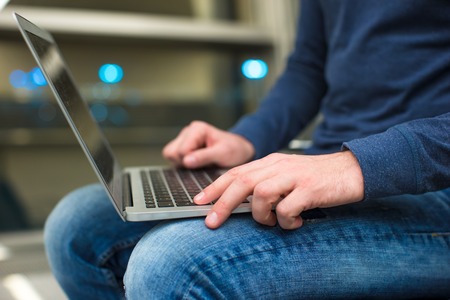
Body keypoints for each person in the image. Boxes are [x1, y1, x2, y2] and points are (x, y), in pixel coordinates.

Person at [44, 1, 450, 299]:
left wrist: (355, 167)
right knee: (77, 227)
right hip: (330, 157)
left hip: (430, 186)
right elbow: (308, 66)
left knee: (172, 265)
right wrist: (247, 138)